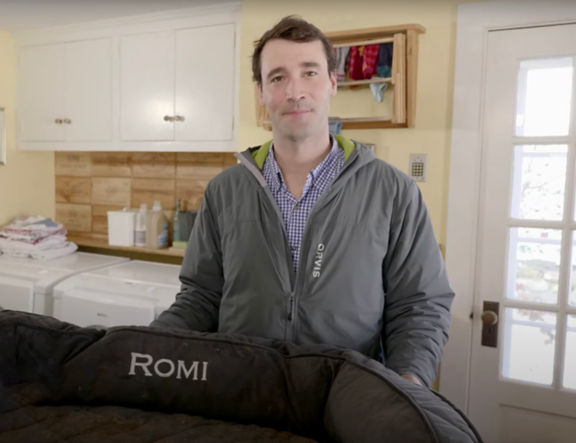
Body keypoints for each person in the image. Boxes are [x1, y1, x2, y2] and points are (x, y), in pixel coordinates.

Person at [150, 15, 453, 388]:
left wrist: (408, 382)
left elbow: (419, 306)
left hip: (347, 395)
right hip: (241, 392)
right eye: (278, 77)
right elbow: (200, 296)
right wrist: (147, 346)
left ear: (332, 82)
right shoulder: (224, 191)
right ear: (261, 92)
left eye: (309, 72)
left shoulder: (393, 191)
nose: (295, 91)